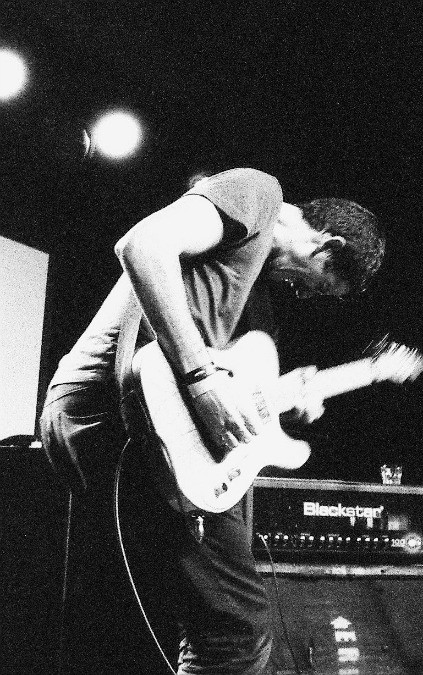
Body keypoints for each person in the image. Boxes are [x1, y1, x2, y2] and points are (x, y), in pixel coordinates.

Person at [39, 167, 386, 674]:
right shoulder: (258, 193)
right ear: (325, 246)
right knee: (236, 626)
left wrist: (276, 399)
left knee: (210, 623)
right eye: (320, 287)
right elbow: (142, 244)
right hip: (111, 409)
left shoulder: (247, 287)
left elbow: (221, 376)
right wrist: (204, 382)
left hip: (140, 418)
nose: (303, 295)